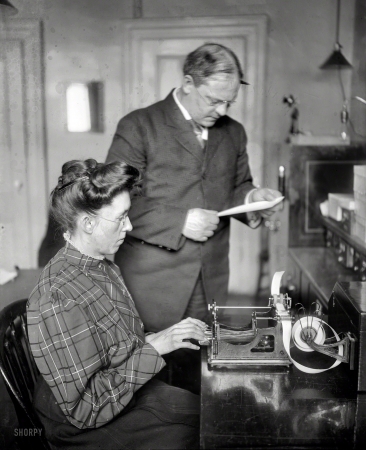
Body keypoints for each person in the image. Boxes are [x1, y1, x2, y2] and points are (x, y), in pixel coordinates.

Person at [27, 159, 207, 450]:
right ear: (88, 223)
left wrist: (164, 338)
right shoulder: (58, 297)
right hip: (81, 427)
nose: (130, 225)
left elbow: (115, 349)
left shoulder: (103, 266)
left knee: (211, 411)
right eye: (121, 217)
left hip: (117, 398)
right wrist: (156, 346)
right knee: (206, 430)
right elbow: (86, 409)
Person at [106, 42, 281, 333]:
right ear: (188, 83)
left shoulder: (233, 132)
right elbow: (115, 199)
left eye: (229, 101)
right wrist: (180, 221)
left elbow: (237, 185)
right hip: (150, 282)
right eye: (213, 100)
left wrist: (254, 196)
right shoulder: (138, 125)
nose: (222, 110)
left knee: (199, 367)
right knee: (151, 366)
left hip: (210, 279)